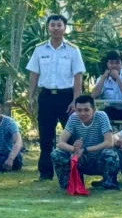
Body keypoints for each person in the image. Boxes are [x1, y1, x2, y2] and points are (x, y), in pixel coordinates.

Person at [26, 14, 85, 181]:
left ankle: (75, 170)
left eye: (59, 25)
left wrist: (76, 100)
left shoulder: (73, 50)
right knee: (46, 136)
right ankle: (45, 172)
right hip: (46, 96)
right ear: (48, 28)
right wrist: (31, 97)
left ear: (65, 28)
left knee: (71, 134)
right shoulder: (40, 49)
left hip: (66, 97)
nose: (56, 28)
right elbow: (34, 74)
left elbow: (78, 76)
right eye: (53, 25)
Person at [51, 95, 120, 191]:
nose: (82, 113)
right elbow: (60, 143)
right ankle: (70, 183)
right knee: (56, 153)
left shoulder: (101, 116)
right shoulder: (73, 118)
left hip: (99, 159)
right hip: (81, 159)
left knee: (110, 154)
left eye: (86, 110)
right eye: (79, 110)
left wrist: (85, 150)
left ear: (94, 110)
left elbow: (109, 143)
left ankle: (110, 183)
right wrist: (74, 149)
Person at [92, 50, 122, 123]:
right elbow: (94, 95)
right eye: (111, 63)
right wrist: (103, 78)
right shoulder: (102, 78)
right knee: (102, 121)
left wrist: (118, 77)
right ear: (107, 64)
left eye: (117, 63)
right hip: (110, 108)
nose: (114, 66)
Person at [0, 97, 24, 172]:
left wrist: (10, 159)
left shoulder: (9, 122)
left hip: (6, 155)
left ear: (1, 110)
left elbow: (18, 142)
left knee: (17, 157)